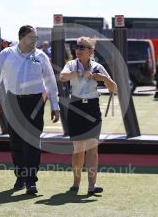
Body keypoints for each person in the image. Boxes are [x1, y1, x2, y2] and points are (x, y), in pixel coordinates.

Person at [0, 25, 60, 195]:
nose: (35, 40)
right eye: (32, 37)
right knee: (16, 141)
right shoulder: (7, 54)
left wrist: (55, 106)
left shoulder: (41, 56)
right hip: (13, 102)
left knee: (33, 142)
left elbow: (51, 82)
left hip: (35, 102)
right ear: (21, 37)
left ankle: (31, 181)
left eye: (36, 37)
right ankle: (20, 177)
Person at [59, 36, 117, 195]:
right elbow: (62, 77)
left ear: (90, 51)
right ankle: (76, 184)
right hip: (76, 106)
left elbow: (115, 89)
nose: (78, 49)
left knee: (92, 149)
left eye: (82, 47)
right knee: (78, 149)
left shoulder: (98, 67)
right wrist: (78, 73)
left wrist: (104, 78)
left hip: (92, 107)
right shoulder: (71, 65)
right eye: (77, 46)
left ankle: (92, 186)